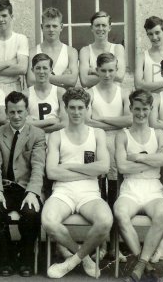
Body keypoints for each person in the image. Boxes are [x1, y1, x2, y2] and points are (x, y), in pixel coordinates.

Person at [42, 87, 112, 279]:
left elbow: (104, 167)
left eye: (81, 107)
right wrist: (86, 170)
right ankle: (85, 259)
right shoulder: (56, 135)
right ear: (65, 108)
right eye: (72, 107)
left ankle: (71, 262)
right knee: (48, 221)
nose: (76, 112)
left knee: (105, 221)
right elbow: (51, 172)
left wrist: (69, 167)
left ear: (87, 108)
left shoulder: (97, 133)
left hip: (89, 193)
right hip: (62, 192)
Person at [114, 89, 163, 281]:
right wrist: (154, 159)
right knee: (120, 213)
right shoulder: (122, 135)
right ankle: (144, 265)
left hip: (153, 188)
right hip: (130, 188)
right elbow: (122, 167)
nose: (140, 113)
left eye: (145, 109)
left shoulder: (159, 133)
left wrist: (138, 157)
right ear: (130, 108)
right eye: (137, 109)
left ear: (151, 109)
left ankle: (139, 265)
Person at [0, 91, 46, 277]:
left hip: (26, 187)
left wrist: (32, 192)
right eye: (12, 112)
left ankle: (26, 257)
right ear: (6, 112)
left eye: (20, 111)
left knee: (31, 211)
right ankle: (5, 257)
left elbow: (38, 167)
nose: (16, 116)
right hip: (4, 187)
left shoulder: (37, 134)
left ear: (27, 111)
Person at [86, 52, 131, 260]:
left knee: (115, 195)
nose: (107, 74)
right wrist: (115, 120)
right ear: (96, 70)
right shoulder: (90, 92)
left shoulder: (123, 92)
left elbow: (129, 121)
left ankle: (115, 246)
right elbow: (87, 121)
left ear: (116, 70)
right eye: (103, 70)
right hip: (97, 145)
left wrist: (101, 119)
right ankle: (101, 245)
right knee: (100, 196)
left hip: (119, 147)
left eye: (111, 70)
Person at [149, 56, 163, 262]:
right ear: (162, 74)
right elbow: (154, 125)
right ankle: (161, 244)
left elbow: (161, 126)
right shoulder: (157, 98)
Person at [27, 7, 78, 88]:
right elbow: (31, 81)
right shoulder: (33, 52)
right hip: (41, 99)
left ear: (61, 27)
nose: (51, 29)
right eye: (47, 26)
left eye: (54, 26)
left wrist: (41, 77)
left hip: (63, 99)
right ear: (42, 27)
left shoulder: (71, 52)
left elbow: (72, 80)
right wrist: (62, 79)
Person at [79, 11, 125, 88]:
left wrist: (94, 71)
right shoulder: (85, 51)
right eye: (97, 25)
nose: (100, 29)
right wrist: (112, 75)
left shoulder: (118, 48)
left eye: (104, 25)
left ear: (109, 28)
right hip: (93, 96)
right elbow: (84, 81)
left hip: (114, 96)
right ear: (91, 28)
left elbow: (120, 77)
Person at [24, 53, 67, 135]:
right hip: (33, 139)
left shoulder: (60, 92)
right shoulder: (25, 94)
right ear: (32, 70)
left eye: (45, 68)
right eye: (38, 68)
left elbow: (64, 124)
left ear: (51, 70)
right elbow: (24, 126)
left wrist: (34, 124)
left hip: (56, 137)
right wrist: (51, 121)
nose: (41, 72)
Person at [135, 16, 163, 92]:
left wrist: (148, 86)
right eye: (150, 34)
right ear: (147, 35)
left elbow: (142, 85)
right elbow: (138, 85)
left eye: (157, 33)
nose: (154, 37)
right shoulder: (141, 57)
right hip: (150, 102)